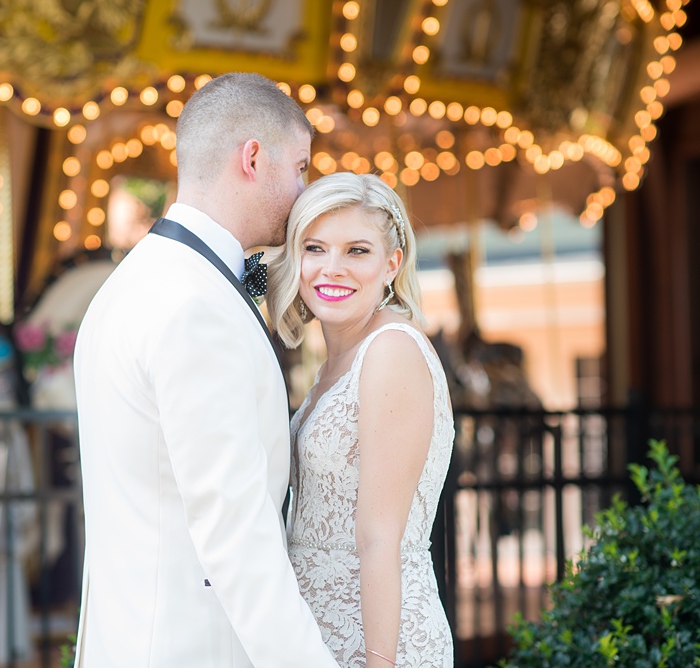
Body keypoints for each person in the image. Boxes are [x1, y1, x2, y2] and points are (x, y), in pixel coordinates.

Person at [72, 72, 339, 667]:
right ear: (252, 159)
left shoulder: (132, 284)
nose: (304, 190)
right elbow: (236, 535)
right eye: (299, 167)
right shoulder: (195, 307)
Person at [267, 172, 455, 667]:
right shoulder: (335, 361)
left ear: (392, 263)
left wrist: (379, 663)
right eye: (315, 248)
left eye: (357, 251)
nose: (332, 269)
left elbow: (378, 537)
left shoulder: (391, 351)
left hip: (376, 642)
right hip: (315, 635)